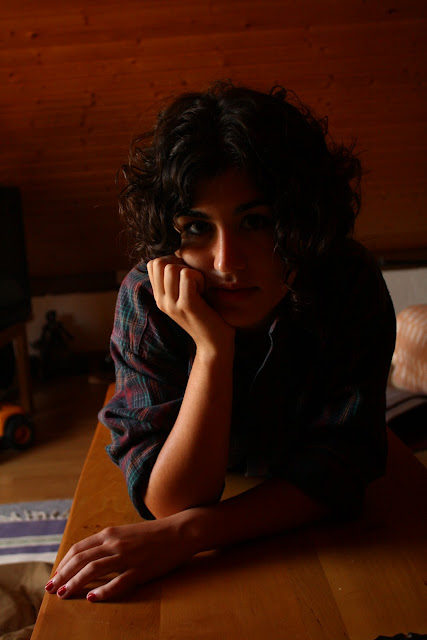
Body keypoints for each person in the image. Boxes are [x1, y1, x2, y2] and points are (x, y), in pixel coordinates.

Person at [45, 81, 396, 603]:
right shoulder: (147, 298)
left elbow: (342, 468)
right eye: (196, 227)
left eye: (256, 222)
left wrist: (190, 535)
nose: (227, 262)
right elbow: (171, 500)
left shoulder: (347, 285)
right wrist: (212, 350)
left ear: (302, 220)